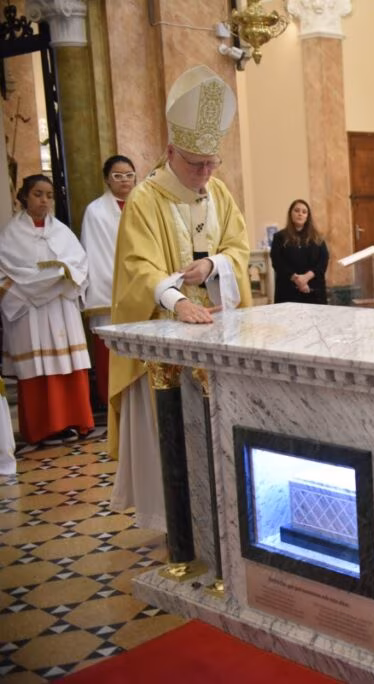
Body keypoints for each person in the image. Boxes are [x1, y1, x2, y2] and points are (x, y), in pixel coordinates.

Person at [109, 66, 253, 531]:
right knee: (172, 432)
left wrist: (213, 267)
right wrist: (176, 299)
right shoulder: (146, 199)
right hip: (166, 340)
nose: (206, 174)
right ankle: (176, 524)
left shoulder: (220, 193)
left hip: (216, 330)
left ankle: (222, 520)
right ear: (171, 152)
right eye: (196, 164)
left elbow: (238, 246)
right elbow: (137, 267)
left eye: (213, 163)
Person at [0, 174, 94, 446]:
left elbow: (80, 266)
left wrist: (54, 280)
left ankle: (75, 420)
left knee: (69, 366)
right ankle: (42, 428)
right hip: (30, 311)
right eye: (38, 194)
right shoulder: (10, 235)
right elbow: (8, 275)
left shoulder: (62, 231)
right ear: (24, 197)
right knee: (37, 369)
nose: (44, 200)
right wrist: (44, 283)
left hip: (60, 307)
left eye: (49, 195)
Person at [81, 154, 137, 406]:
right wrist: (119, 285)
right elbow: (95, 253)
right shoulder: (96, 211)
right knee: (110, 354)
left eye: (129, 175)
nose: (124, 180)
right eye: (117, 175)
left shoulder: (143, 204)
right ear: (106, 179)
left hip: (141, 290)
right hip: (109, 292)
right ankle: (113, 401)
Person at [271, 199, 328, 304]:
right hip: (288, 291)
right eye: (296, 210)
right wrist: (297, 279)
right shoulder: (279, 237)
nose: (300, 214)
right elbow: (277, 262)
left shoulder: (317, 238)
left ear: (308, 216)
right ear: (290, 214)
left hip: (314, 292)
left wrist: (306, 278)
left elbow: (323, 262)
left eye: (304, 212)